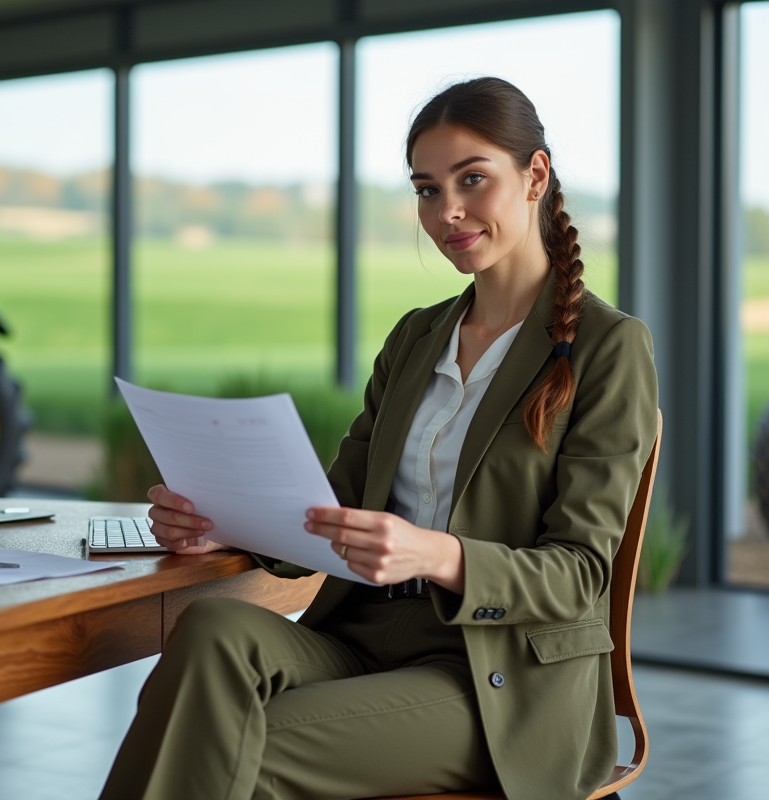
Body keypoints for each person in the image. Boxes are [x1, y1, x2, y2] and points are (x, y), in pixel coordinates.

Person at [99, 77, 658, 800]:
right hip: (362, 637)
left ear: (536, 176)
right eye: (427, 189)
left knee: (237, 744)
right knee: (210, 632)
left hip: (496, 680)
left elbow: (580, 573)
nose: (447, 211)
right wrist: (219, 524)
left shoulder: (610, 347)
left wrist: (434, 553)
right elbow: (332, 505)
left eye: (473, 180)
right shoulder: (417, 336)